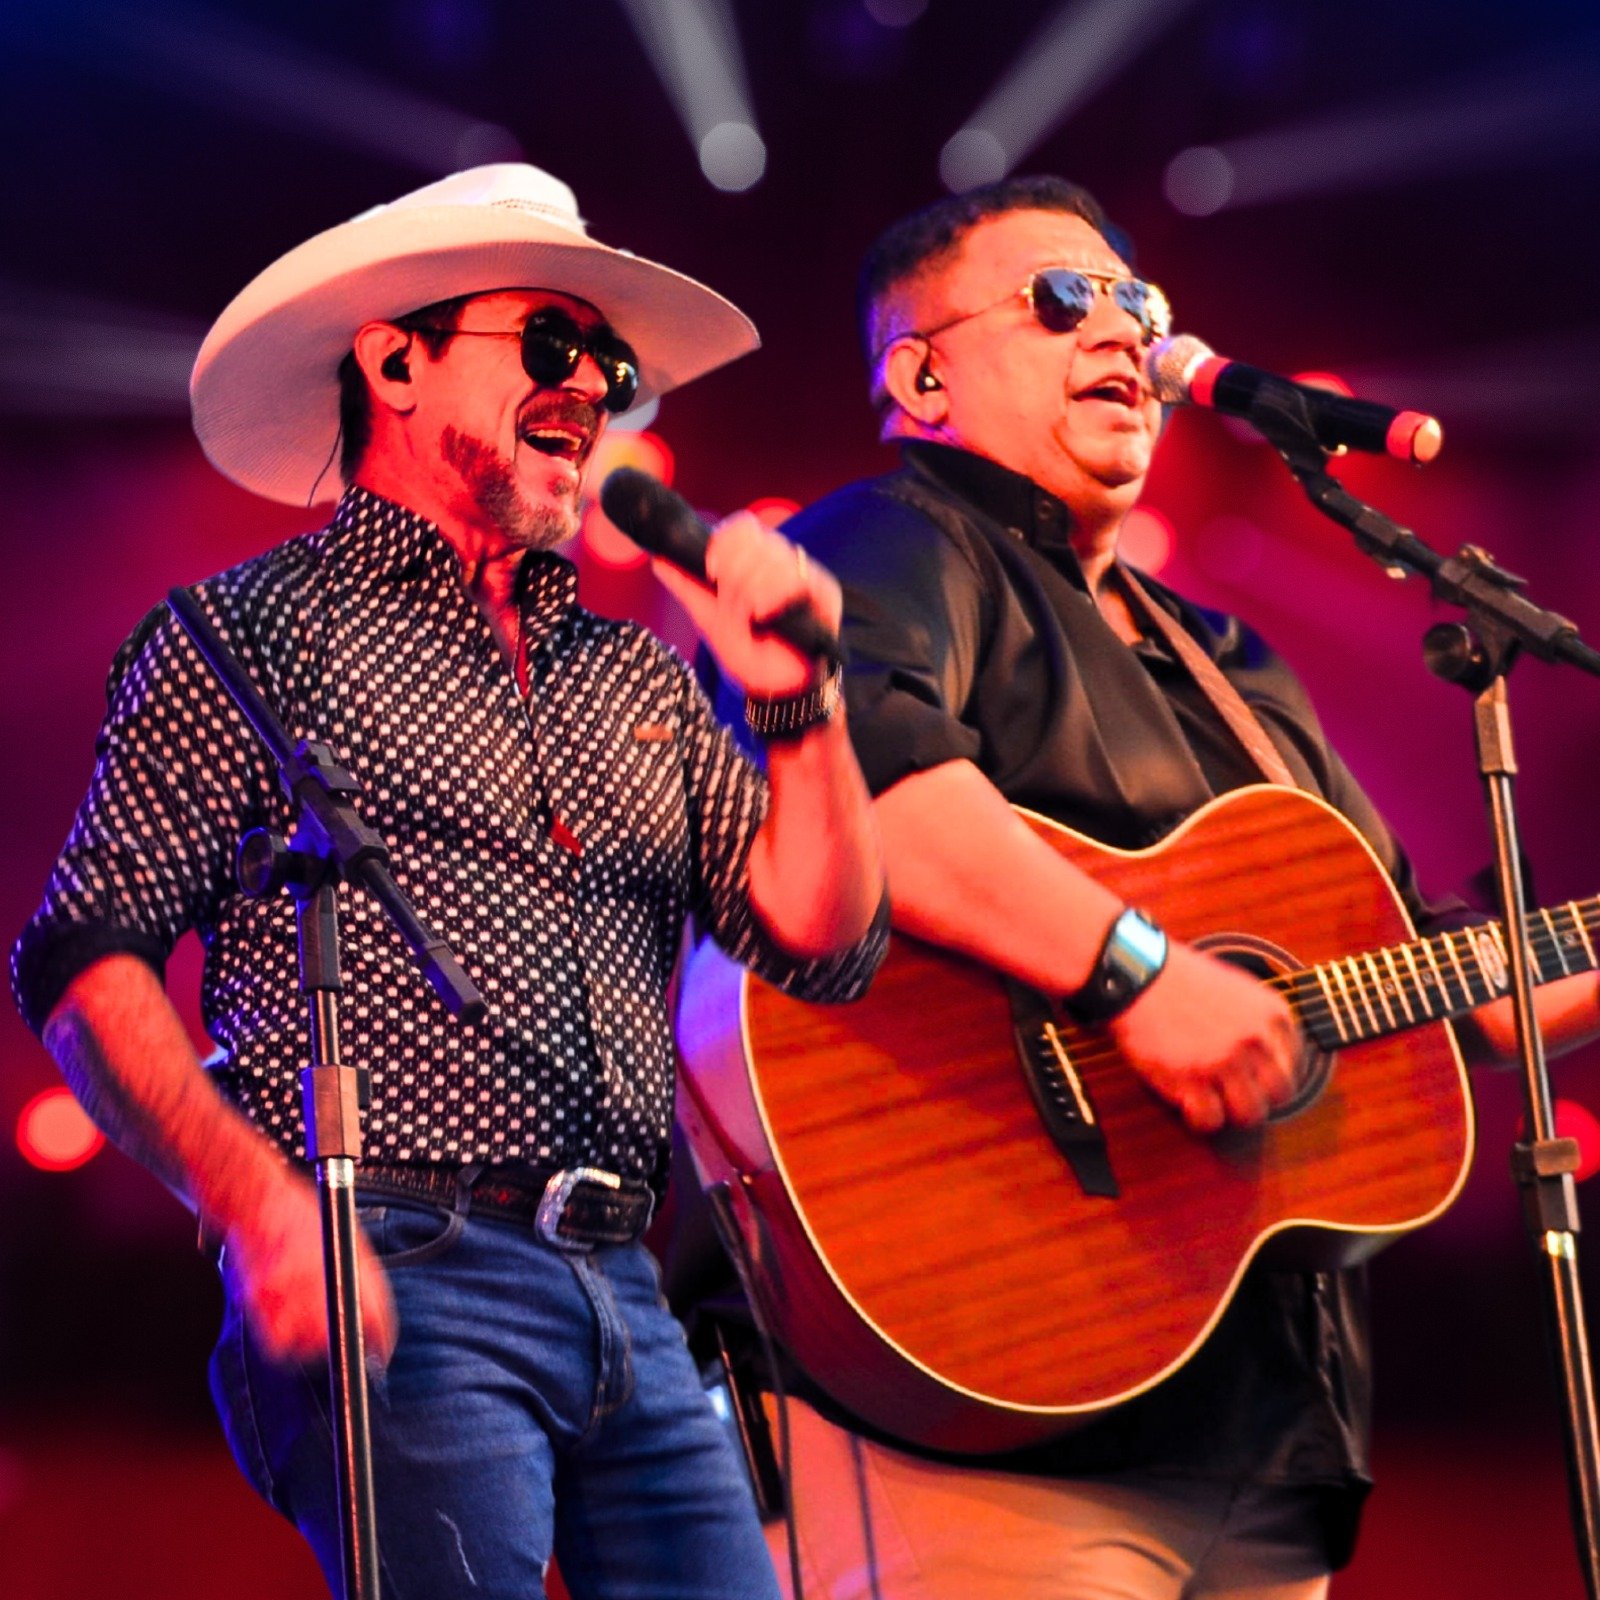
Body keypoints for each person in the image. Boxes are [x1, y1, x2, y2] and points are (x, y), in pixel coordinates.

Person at [679, 176, 1600, 1600]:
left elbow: (1456, 985)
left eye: (1136, 301)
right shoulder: (890, 541)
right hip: (992, 1397)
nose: (1121, 331)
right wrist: (1140, 976)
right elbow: (873, 795)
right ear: (921, 378)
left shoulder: (1232, 665)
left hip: (1261, 1429)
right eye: (1061, 302)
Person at [9, 162, 887, 1600]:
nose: (591, 385)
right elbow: (80, 959)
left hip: (630, 1284)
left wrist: (800, 703)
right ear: (396, 362)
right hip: (403, 1264)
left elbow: (827, 942)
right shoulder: (246, 637)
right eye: (549, 342)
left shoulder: (637, 676)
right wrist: (262, 1210)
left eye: (606, 364)